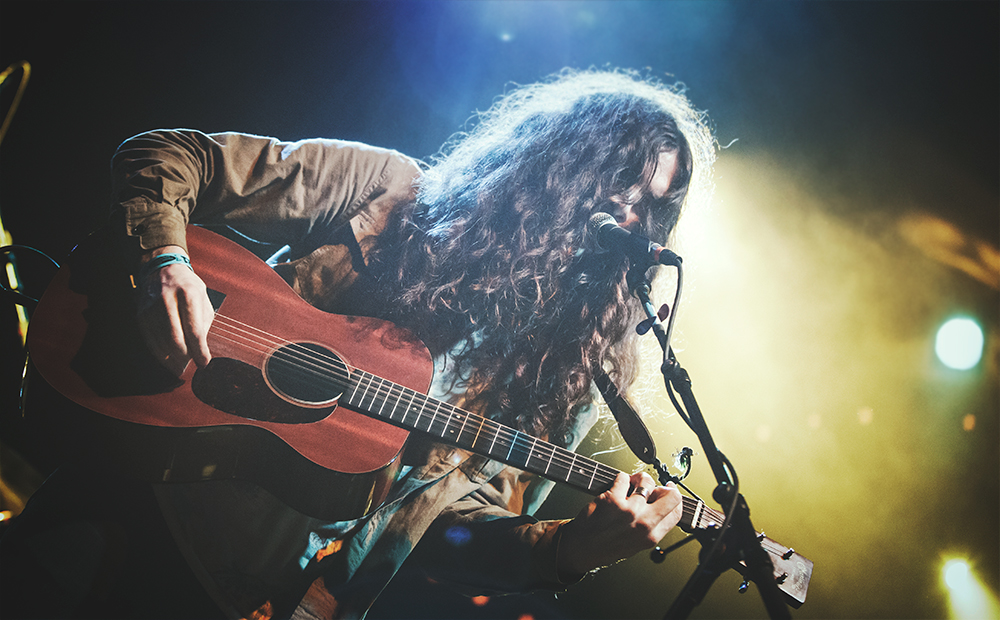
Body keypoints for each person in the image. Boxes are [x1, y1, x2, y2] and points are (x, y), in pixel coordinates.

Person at [0, 68, 715, 619]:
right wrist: (165, 258)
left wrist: (572, 549)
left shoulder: (573, 376)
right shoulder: (390, 193)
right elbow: (170, 156)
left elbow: (451, 537)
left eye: (652, 205)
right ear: (562, 162)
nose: (629, 210)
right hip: (135, 501)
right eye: (619, 179)